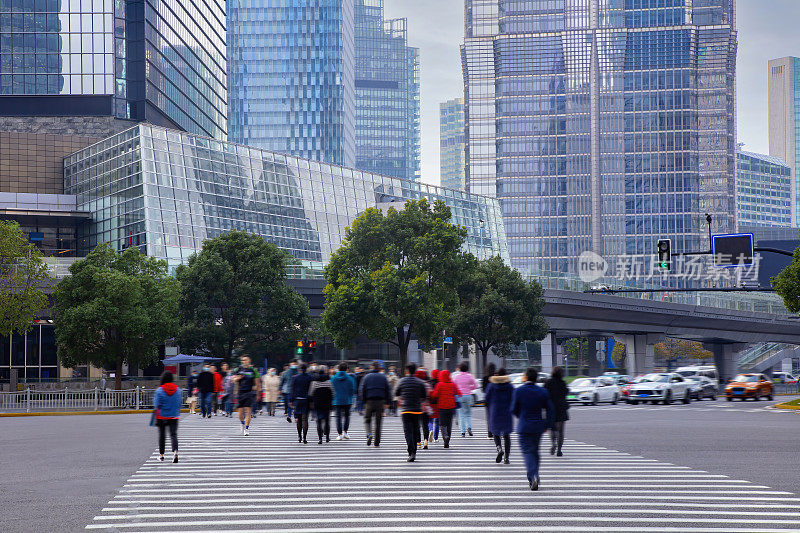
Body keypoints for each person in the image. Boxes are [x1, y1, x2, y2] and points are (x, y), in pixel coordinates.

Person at [511, 367, 555, 491]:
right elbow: (550, 410)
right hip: (538, 426)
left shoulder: (518, 391)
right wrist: (547, 425)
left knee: (527, 452)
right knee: (535, 451)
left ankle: (533, 476)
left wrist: (521, 416)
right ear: (536, 378)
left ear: (525, 377)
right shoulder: (542, 391)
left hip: (524, 426)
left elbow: (513, 409)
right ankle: (535, 473)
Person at [393, 364, 428, 462]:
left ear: (407, 371)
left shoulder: (402, 381)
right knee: (416, 430)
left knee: (408, 432)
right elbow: (424, 396)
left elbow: (396, 393)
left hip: (406, 410)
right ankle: (414, 452)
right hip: (417, 410)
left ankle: (411, 452)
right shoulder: (420, 382)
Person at [485, 367, 514, 464]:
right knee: (506, 435)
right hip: (506, 412)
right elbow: (514, 399)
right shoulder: (510, 386)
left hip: (495, 412)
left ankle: (499, 449)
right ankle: (506, 458)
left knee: (495, 433)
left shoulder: (491, 386)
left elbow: (486, 399)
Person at [358, 362, 391, 447]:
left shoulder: (366, 377)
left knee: (367, 419)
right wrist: (388, 402)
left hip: (369, 401)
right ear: (379, 368)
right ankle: (377, 442)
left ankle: (369, 434)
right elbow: (388, 390)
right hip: (380, 402)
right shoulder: (383, 377)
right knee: (378, 422)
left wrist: (364, 401)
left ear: (372, 367)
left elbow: (362, 390)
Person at [153, 371, 182, 463]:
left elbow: (157, 404)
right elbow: (179, 403)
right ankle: (175, 453)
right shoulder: (178, 390)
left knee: (162, 435)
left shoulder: (159, 390)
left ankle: (161, 455)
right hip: (174, 415)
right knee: (173, 434)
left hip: (162, 416)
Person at [544, 366, 570, 457]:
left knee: (552, 428)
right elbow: (567, 392)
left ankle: (553, 443)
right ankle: (559, 450)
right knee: (561, 430)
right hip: (562, 407)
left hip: (551, 407)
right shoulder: (563, 383)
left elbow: (544, 393)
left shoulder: (548, 382)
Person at [232, 355, 261, 436]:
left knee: (248, 412)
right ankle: (242, 423)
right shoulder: (238, 370)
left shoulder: (253, 371)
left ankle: (247, 429)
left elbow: (257, 383)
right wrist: (238, 378)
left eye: (245, 360)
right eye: (243, 360)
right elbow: (233, 380)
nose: (244, 361)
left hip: (249, 392)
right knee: (240, 414)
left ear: (249, 361)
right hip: (240, 392)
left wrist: (258, 393)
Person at [431, 370, 459, 448]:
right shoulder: (452, 384)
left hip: (442, 407)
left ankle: (445, 436)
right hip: (451, 407)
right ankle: (448, 440)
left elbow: (435, 395)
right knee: (449, 424)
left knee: (442, 424)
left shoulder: (439, 384)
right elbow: (457, 392)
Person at [453, 361, 479, 437]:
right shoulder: (470, 376)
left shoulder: (456, 377)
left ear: (460, 369)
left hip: (459, 396)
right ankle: (469, 427)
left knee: (461, 415)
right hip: (468, 395)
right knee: (468, 413)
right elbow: (475, 385)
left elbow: (454, 386)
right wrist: (469, 388)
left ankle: (462, 432)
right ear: (467, 368)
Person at [331, 362, 356, 440]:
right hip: (347, 400)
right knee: (347, 416)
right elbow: (353, 389)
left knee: (338, 417)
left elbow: (331, 389)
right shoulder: (350, 378)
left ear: (338, 369)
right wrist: (350, 396)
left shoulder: (333, 378)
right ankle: (345, 432)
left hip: (337, 400)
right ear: (347, 369)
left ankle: (340, 434)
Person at [309, 366, 333, 444]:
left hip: (318, 404)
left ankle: (320, 438)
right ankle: (327, 437)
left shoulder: (314, 383)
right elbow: (333, 392)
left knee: (319, 421)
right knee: (327, 420)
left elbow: (311, 393)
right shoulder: (328, 382)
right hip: (327, 403)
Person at [290, 364, 314, 443]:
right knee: (305, 419)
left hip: (297, 400)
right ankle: (304, 437)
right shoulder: (310, 378)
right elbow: (312, 389)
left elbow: (292, 389)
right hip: (306, 400)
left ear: (300, 369)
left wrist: (291, 400)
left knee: (299, 419)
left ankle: (299, 436)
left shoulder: (295, 378)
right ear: (306, 369)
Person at [414, 369, 432, 449]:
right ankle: (425, 440)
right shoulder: (428, 385)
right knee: (425, 425)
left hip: (417, 408)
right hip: (426, 408)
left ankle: (418, 442)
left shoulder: (415, 384)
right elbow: (431, 395)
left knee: (417, 426)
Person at [482, 362, 497, 439]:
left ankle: (489, 433)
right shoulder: (496, 377)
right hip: (496, 399)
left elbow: (483, 390)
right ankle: (496, 431)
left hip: (488, 399)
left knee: (489, 417)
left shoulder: (485, 378)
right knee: (496, 416)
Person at [428, 369, 440, 443]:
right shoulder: (439, 383)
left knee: (430, 420)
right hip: (438, 404)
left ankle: (430, 430)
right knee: (437, 422)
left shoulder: (429, 383)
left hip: (430, 404)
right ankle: (436, 438)